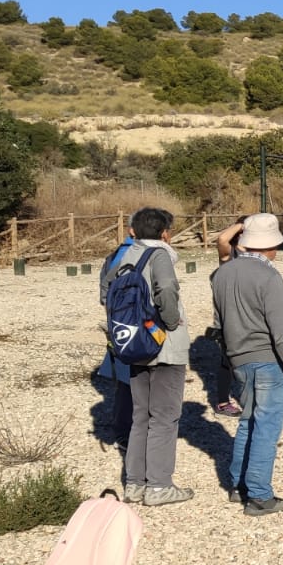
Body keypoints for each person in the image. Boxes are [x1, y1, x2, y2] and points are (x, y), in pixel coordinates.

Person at [211, 213, 283, 516]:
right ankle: (258, 494)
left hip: (238, 359)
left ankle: (238, 485)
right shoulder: (269, 277)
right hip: (268, 360)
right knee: (266, 429)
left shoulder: (222, 274)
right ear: (270, 245)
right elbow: (282, 334)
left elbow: (220, 322)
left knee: (248, 421)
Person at [116, 207, 193, 506]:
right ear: (165, 233)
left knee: (140, 415)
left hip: (133, 342)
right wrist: (171, 321)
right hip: (163, 344)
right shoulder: (160, 255)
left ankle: (134, 484)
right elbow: (166, 287)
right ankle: (160, 486)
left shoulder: (126, 255)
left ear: (133, 230)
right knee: (164, 417)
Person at [95, 233, 137, 461]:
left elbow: (104, 295)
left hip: (117, 327)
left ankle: (124, 431)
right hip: (132, 328)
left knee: (124, 384)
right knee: (132, 382)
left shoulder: (115, 254)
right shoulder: (134, 255)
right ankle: (127, 434)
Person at [208, 217, 247, 416]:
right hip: (228, 320)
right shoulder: (229, 255)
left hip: (248, 318)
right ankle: (223, 402)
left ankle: (250, 397)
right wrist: (243, 224)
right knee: (228, 361)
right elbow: (222, 239)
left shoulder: (253, 253)